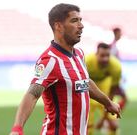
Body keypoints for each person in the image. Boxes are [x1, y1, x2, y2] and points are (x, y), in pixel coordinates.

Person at [9, 3, 121, 135]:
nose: (81, 25)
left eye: (80, 20)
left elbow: (85, 83)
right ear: (58, 26)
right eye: (74, 21)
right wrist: (17, 129)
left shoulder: (79, 54)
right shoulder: (50, 60)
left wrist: (108, 103)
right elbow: (32, 94)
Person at [85, 43, 127, 135]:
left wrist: (103, 119)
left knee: (113, 125)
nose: (105, 59)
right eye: (102, 56)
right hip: (89, 92)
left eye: (107, 55)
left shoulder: (116, 67)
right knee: (86, 127)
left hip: (105, 91)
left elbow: (112, 91)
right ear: (96, 54)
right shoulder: (86, 61)